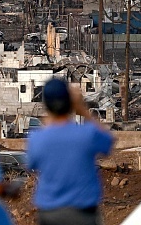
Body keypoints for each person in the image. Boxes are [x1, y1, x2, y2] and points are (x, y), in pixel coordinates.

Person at [27, 78, 114, 225]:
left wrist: (49, 117)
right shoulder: (87, 134)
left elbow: (31, 164)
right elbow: (108, 141)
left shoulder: (38, 138)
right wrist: (82, 109)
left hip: (50, 212)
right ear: (69, 103)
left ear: (46, 105)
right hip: (83, 213)